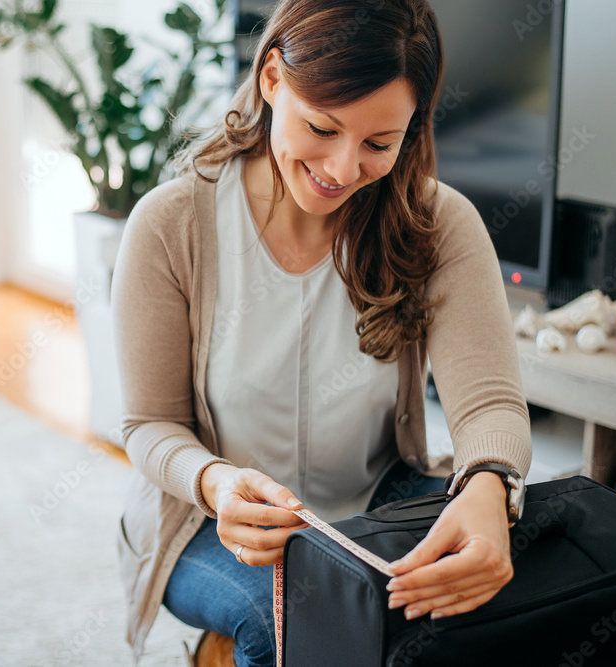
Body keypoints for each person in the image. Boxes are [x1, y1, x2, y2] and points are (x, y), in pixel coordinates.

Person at [110, 0, 532, 665]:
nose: (340, 168)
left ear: (411, 128)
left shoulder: (439, 223)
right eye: (322, 127)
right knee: (301, 626)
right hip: (208, 520)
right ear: (272, 78)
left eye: (377, 144)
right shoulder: (172, 224)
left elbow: (488, 403)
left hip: (375, 497)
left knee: (503, 580)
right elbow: (148, 424)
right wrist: (215, 481)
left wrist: (489, 484)